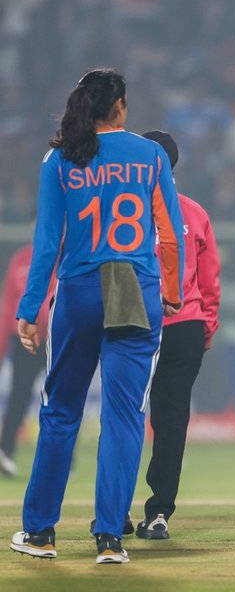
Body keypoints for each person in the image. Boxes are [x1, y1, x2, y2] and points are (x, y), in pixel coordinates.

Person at [9, 68, 184, 564]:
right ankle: (110, 538)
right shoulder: (150, 155)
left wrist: (29, 308)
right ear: (122, 106)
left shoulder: (60, 157)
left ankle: (40, 533)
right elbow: (169, 232)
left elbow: (47, 242)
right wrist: (170, 291)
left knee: (60, 414)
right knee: (125, 417)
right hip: (134, 288)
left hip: (80, 289)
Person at [134, 129, 220, 540]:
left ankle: (112, 512)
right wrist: (208, 325)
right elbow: (210, 280)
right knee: (171, 420)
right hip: (185, 324)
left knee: (125, 416)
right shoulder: (194, 213)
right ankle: (159, 513)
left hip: (133, 323)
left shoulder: (125, 211)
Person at [0, 244, 49, 477]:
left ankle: (65, 460)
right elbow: (9, 303)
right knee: (18, 396)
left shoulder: (62, 257)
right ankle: (5, 452)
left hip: (54, 338)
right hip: (22, 338)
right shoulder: (21, 259)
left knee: (63, 399)